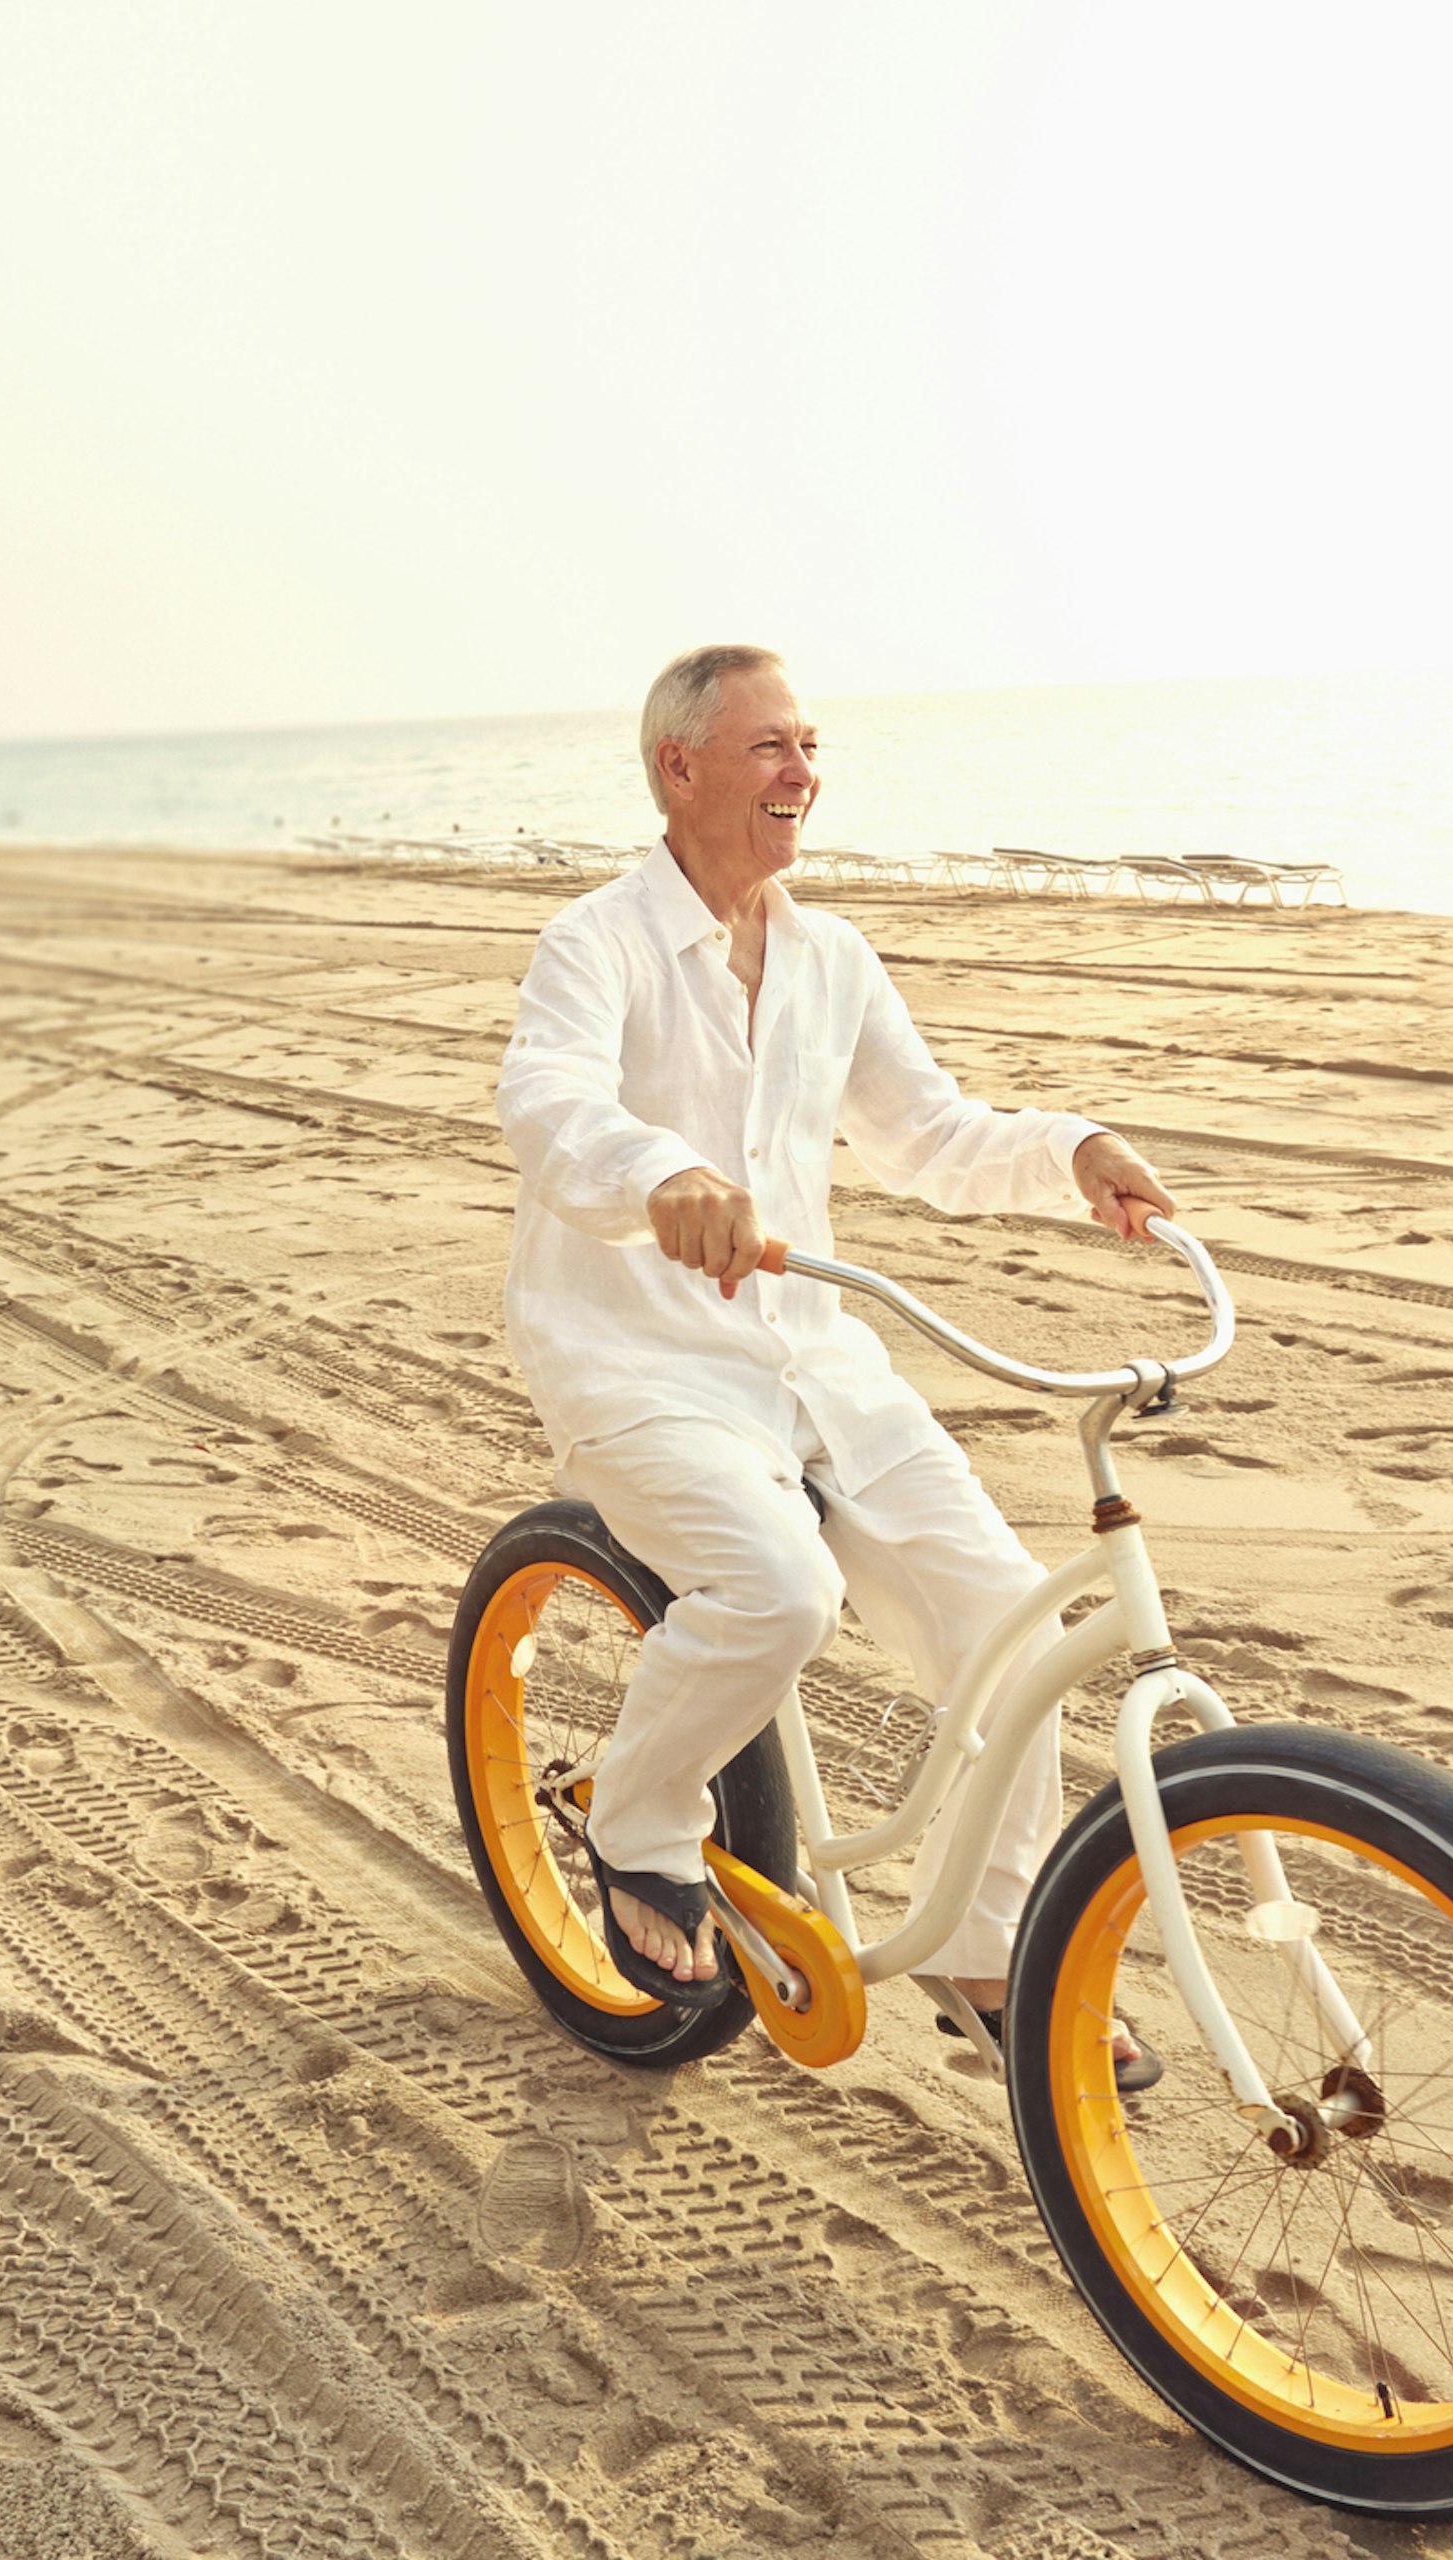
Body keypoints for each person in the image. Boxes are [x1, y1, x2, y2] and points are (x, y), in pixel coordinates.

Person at [494, 645, 1176, 2077]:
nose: (802, 775)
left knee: (1017, 1636)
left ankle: (991, 1956)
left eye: (810, 747)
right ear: (678, 768)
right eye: (767, 749)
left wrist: (1073, 1151)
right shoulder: (597, 942)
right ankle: (636, 1822)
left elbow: (928, 1133)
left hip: (813, 1355)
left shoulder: (830, 957)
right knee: (777, 1591)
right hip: (642, 1361)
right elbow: (549, 1106)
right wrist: (656, 1172)